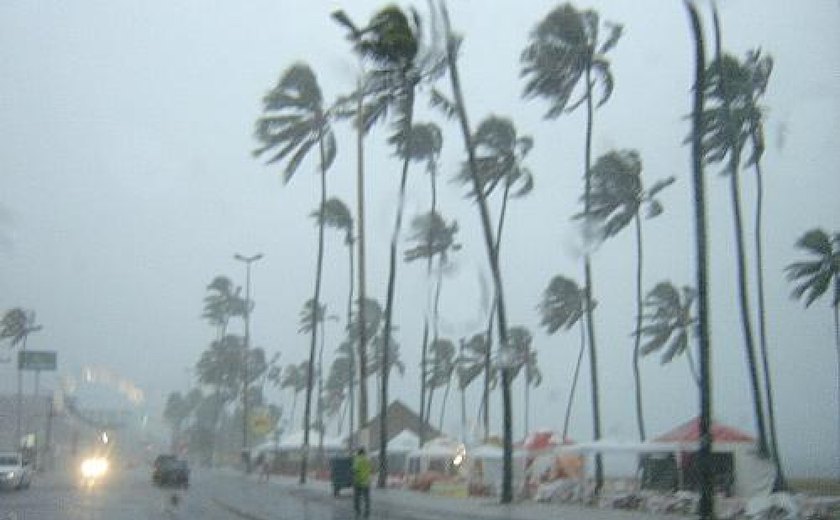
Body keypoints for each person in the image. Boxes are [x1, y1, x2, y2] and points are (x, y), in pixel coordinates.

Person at [352, 448, 372, 518]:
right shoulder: (368, 460)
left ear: (358, 453)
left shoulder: (357, 460)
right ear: (364, 453)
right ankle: (367, 511)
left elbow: (355, 470)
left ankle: (358, 511)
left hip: (358, 482)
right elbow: (370, 470)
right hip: (366, 482)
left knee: (357, 498)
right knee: (366, 498)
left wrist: (355, 478)